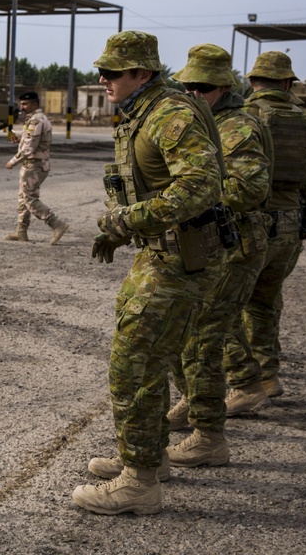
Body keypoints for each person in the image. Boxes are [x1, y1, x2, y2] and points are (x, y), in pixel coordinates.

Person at [72, 31, 225, 516]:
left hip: (182, 259)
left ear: (142, 73)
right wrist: (124, 232)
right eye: (102, 71)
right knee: (150, 359)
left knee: (131, 364)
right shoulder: (146, 113)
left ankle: (138, 483)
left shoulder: (170, 114)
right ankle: (150, 458)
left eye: (113, 72)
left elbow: (201, 186)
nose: (103, 79)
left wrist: (127, 220)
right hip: (166, 253)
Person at [167, 44, 274, 441]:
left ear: (223, 88)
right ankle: (193, 403)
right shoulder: (204, 121)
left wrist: (195, 188)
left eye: (203, 86)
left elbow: (249, 190)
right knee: (184, 330)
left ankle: (209, 434)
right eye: (188, 85)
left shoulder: (238, 127)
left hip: (238, 244)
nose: (193, 93)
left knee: (205, 337)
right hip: (212, 243)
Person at [224, 51, 306, 399]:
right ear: (286, 83)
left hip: (253, 225)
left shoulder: (245, 117)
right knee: (266, 302)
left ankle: (243, 379)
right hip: (292, 225)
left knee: (226, 304)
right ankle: (268, 376)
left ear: (251, 82)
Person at [3, 91, 69, 244]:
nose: (22, 107)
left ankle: (57, 225)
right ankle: (21, 232)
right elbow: (33, 142)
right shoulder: (34, 119)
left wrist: (13, 161)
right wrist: (19, 140)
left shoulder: (36, 121)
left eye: (25, 104)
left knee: (30, 199)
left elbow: (28, 149)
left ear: (34, 104)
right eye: (21, 104)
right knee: (23, 198)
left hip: (34, 166)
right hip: (33, 164)